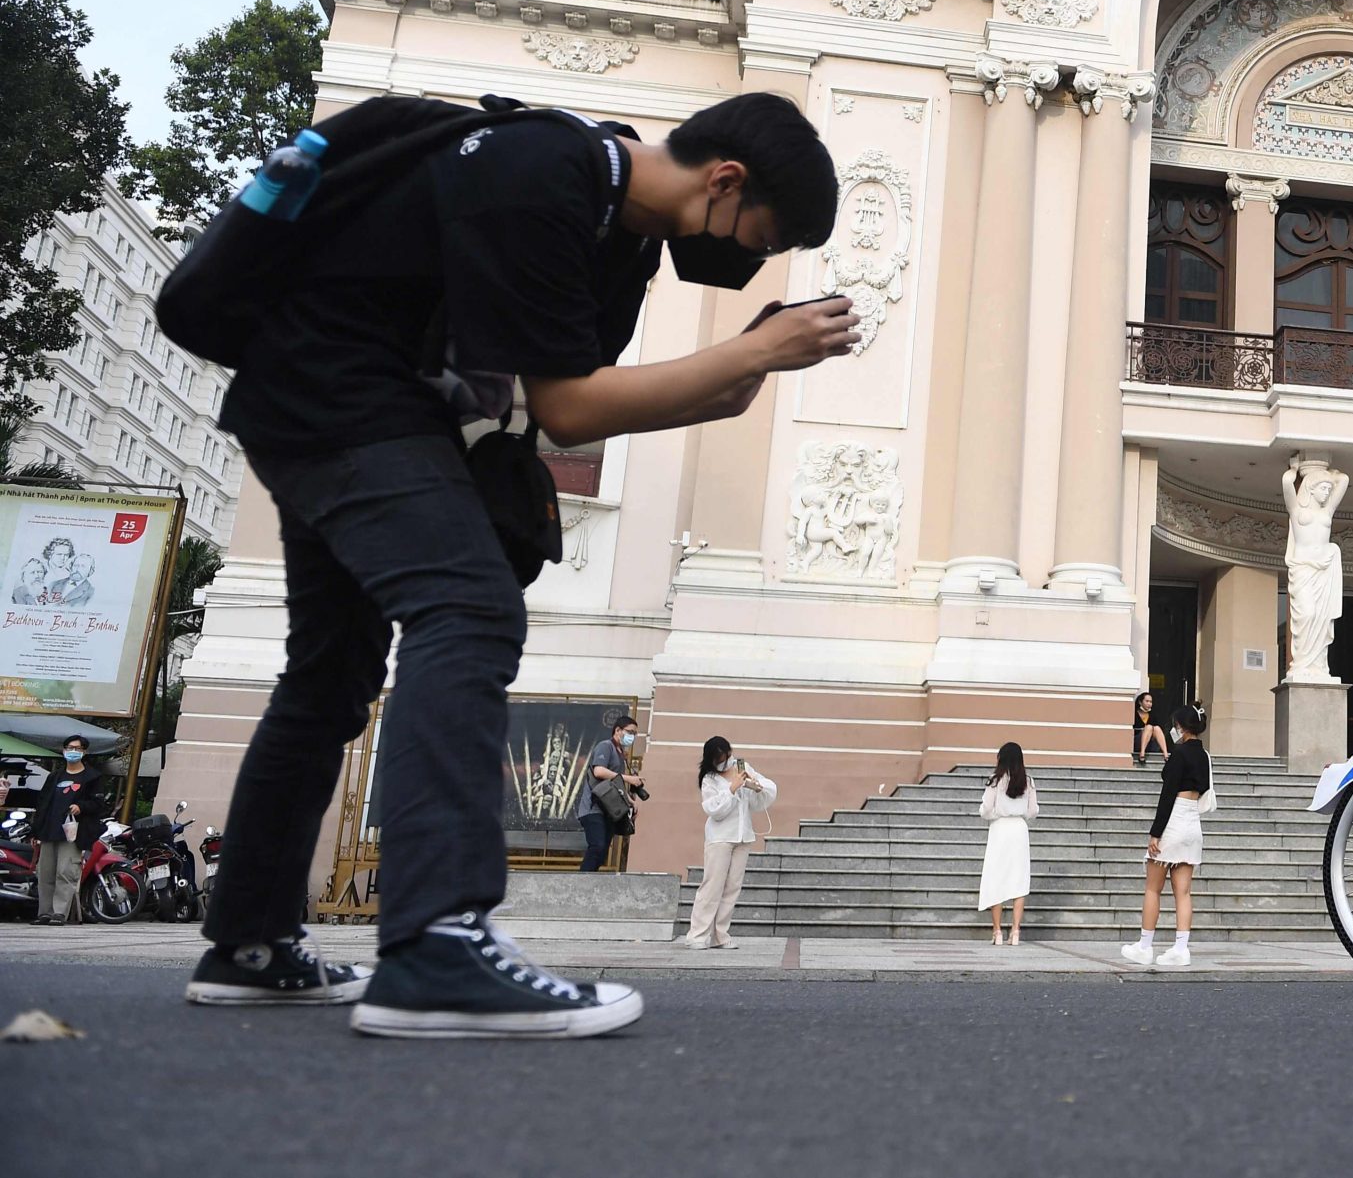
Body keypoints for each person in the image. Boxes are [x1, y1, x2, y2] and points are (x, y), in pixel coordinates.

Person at [184, 91, 852, 1038]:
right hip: (340, 392)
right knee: (469, 607)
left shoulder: (619, 244)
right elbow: (574, 412)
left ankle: (249, 943)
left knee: (331, 676)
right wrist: (750, 350)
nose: (747, 260)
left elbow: (570, 397)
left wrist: (741, 371)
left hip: (338, 405)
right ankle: (435, 946)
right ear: (726, 180)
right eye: (762, 234)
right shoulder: (546, 169)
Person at [1121, 703, 1210, 970]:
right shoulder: (1204, 755)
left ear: (1181, 727)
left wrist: (1155, 833)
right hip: (1193, 821)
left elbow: (1167, 795)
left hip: (1174, 819)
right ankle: (1181, 948)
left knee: (1153, 888)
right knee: (1183, 892)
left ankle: (1145, 946)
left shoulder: (1179, 753)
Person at [683, 735, 776, 950]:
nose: (725, 760)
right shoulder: (709, 779)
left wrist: (755, 786)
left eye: (727, 755)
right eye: (720, 757)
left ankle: (720, 935)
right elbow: (714, 810)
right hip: (720, 837)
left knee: (732, 887)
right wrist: (731, 788)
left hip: (743, 836)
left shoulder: (742, 767)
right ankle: (697, 935)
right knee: (712, 886)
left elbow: (763, 794)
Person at [33, 735, 111, 925]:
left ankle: (60, 913)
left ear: (84, 752)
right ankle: (45, 912)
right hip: (49, 831)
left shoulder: (92, 777)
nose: (72, 752)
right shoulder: (55, 777)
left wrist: (81, 807)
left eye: (77, 748)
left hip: (73, 833)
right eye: (69, 747)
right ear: (63, 750)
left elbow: (98, 803)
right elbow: (42, 804)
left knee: (65, 872)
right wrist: (35, 831)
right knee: (45, 873)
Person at [978, 740, 1037, 946]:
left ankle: (997, 932)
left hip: (1000, 829)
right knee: (1018, 880)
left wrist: (997, 814)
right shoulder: (1028, 781)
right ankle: (1016, 931)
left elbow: (985, 809)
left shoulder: (995, 780)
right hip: (1019, 830)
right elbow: (1033, 811)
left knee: (997, 877)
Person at [575, 714, 644, 872]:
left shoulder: (621, 755)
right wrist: (628, 779)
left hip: (609, 810)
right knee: (597, 846)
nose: (632, 736)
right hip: (593, 809)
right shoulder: (605, 746)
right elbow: (599, 771)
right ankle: (581, 883)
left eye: (635, 734)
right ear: (618, 730)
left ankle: (589, 881)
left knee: (602, 851)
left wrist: (630, 801)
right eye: (630, 732)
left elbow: (615, 783)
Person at [1131, 692, 1168, 767]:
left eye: (1150, 702)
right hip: (1138, 742)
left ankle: (1166, 754)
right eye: (1147, 701)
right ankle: (1142, 754)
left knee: (1156, 728)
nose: (1149, 704)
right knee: (1149, 727)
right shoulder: (1134, 713)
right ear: (1140, 702)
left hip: (1151, 744)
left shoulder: (1152, 714)